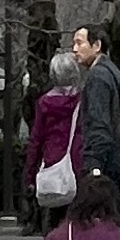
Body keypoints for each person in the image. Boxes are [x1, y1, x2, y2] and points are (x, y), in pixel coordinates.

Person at [68, 17, 120, 225]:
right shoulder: (113, 72)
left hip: (108, 163)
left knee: (105, 223)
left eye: (79, 43)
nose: (74, 49)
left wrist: (94, 165)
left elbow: (98, 124)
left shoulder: (97, 77)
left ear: (96, 45)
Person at [26, 55, 80, 224]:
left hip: (53, 162)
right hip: (78, 163)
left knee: (54, 215)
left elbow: (36, 140)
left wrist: (29, 175)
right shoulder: (81, 102)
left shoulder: (44, 103)